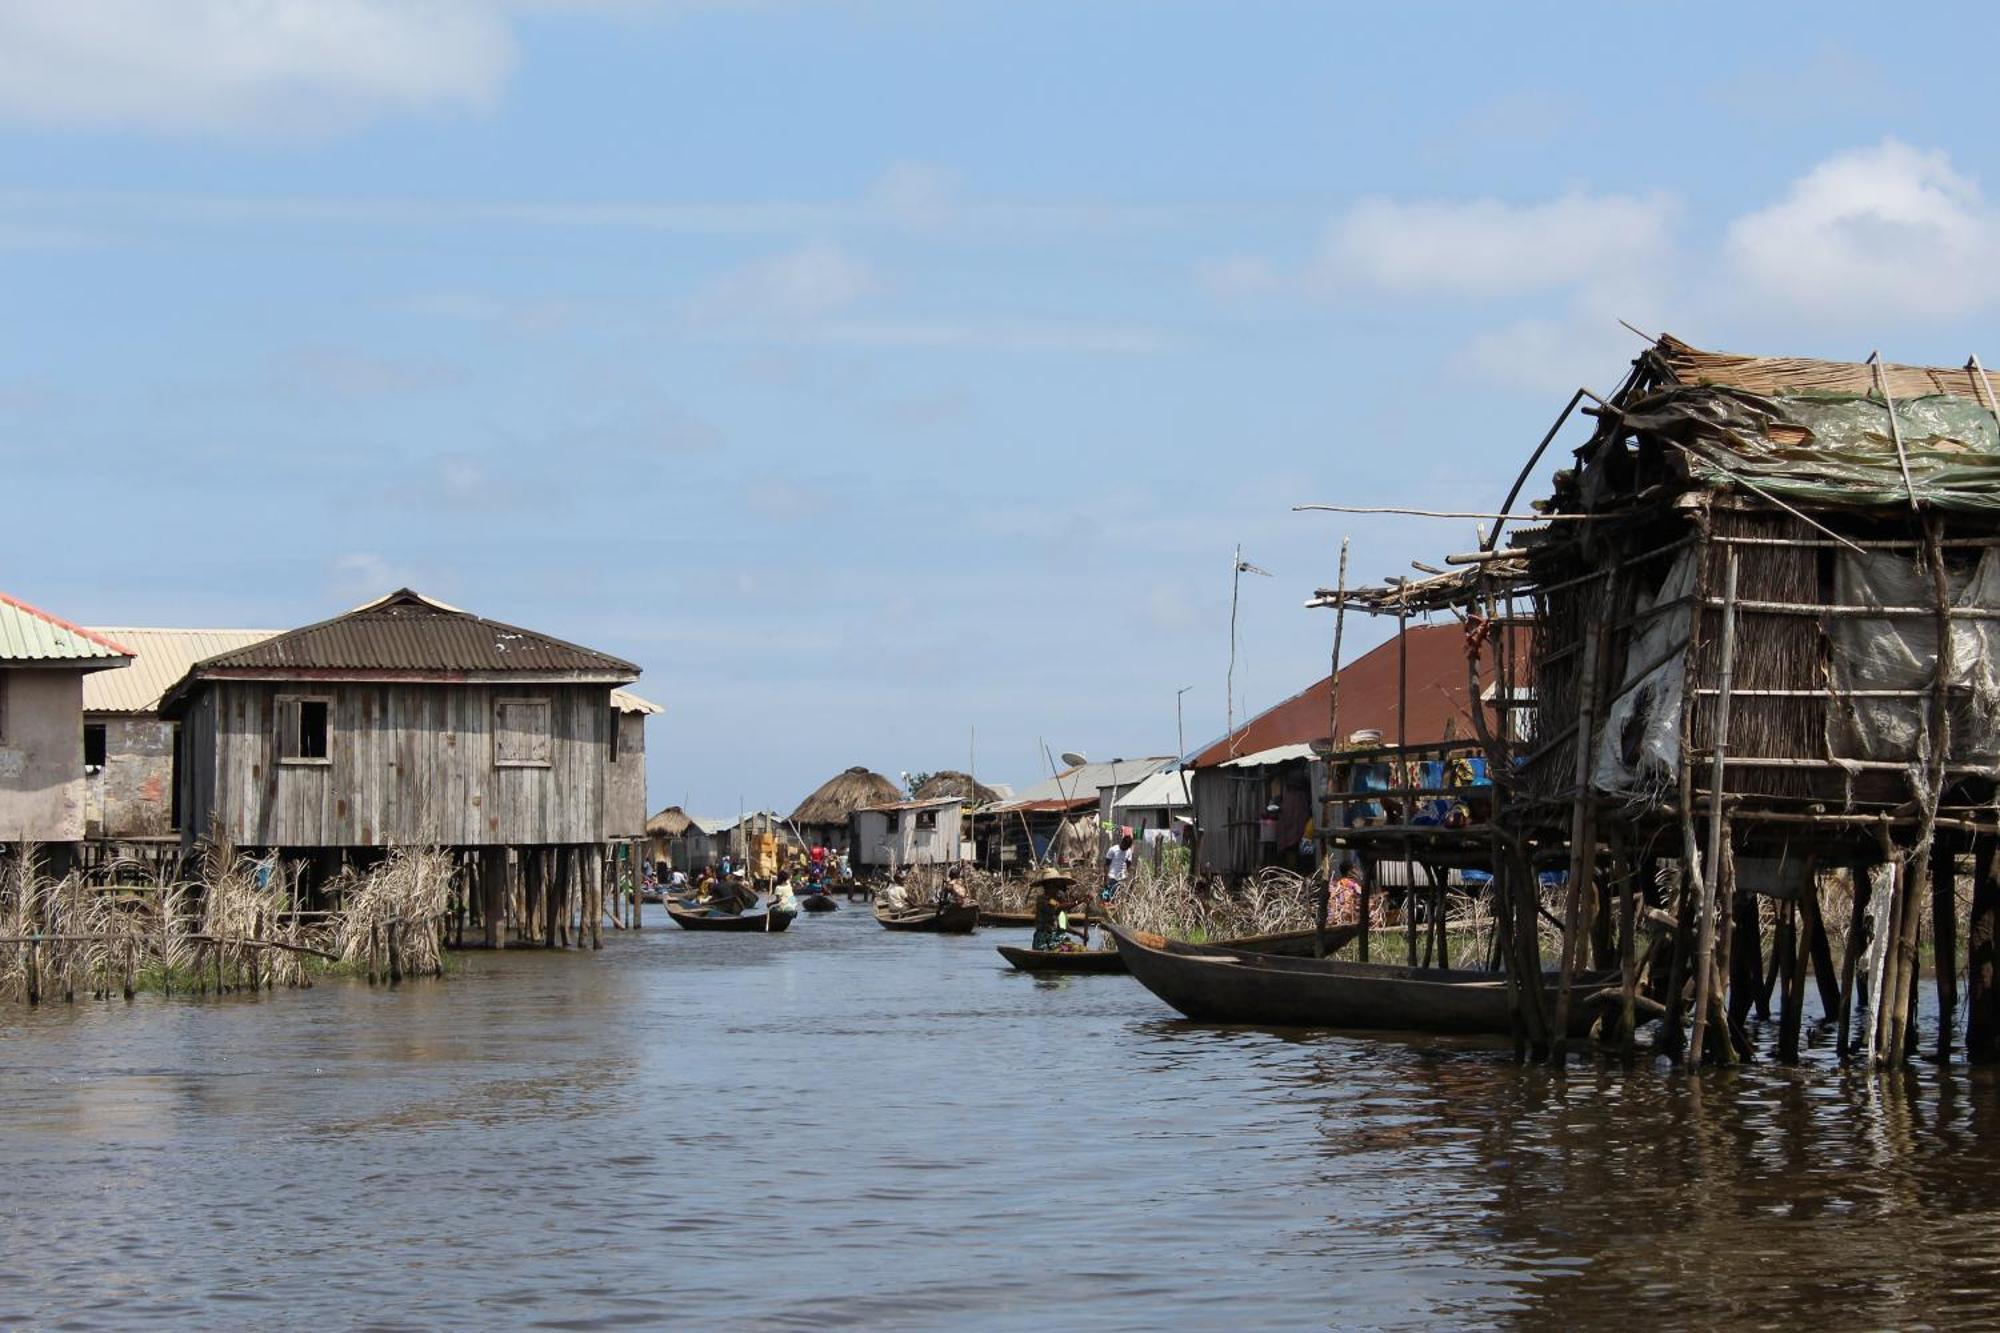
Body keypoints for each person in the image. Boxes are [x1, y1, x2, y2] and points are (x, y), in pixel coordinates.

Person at [1030, 868, 1086, 952]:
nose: (1058, 889)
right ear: (1047, 885)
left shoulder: (1058, 902)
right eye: (1055, 885)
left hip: (1058, 940)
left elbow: (1064, 927)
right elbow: (1058, 907)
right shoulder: (1043, 900)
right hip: (1045, 942)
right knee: (1069, 949)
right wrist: (1079, 901)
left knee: (1082, 949)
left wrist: (1081, 934)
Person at [1101, 833, 1136, 903]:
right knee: (1105, 898)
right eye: (1124, 846)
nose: (1125, 848)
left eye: (1127, 847)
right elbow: (1106, 864)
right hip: (1111, 877)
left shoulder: (1128, 852)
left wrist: (1126, 874)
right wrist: (1106, 877)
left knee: (1116, 898)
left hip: (1121, 878)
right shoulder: (1113, 849)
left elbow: (1128, 864)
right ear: (1122, 842)